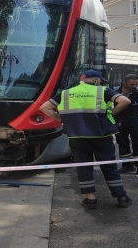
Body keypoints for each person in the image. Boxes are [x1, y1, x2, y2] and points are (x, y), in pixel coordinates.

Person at [40, 69, 133, 209]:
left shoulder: (66, 93)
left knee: (84, 167)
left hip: (77, 136)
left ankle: (90, 200)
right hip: (101, 135)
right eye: (100, 81)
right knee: (109, 167)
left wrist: (62, 121)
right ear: (95, 80)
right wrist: (111, 115)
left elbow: (44, 107)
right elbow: (125, 101)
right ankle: (122, 197)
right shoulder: (102, 91)